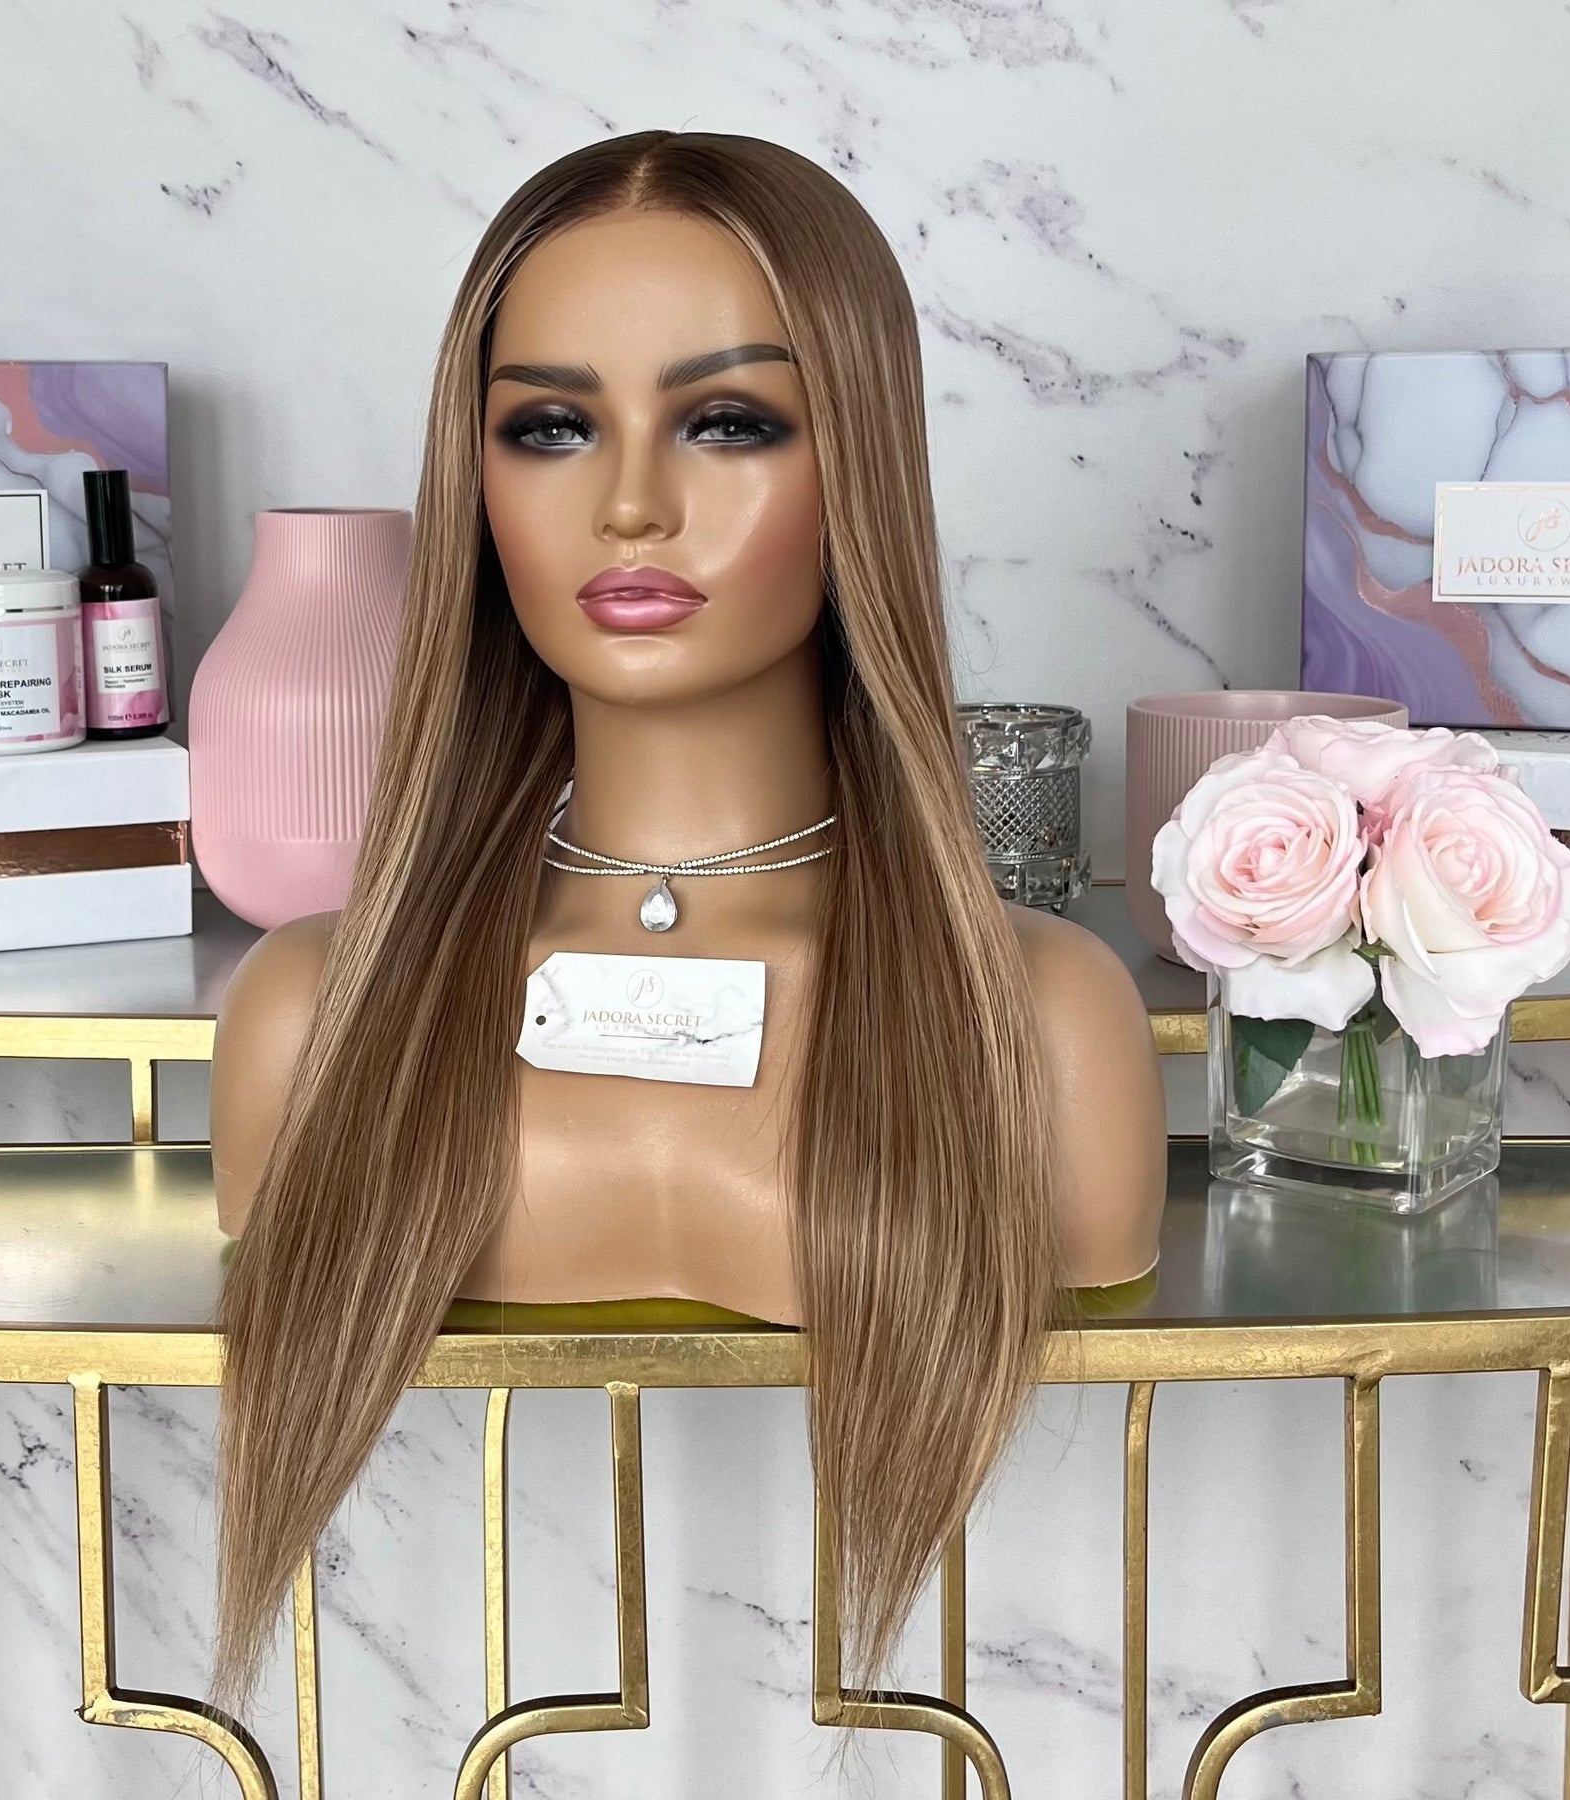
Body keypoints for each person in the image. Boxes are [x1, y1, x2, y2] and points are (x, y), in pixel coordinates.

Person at [209, 129, 1165, 1701]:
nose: (632, 506)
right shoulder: (314, 1014)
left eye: (728, 423)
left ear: (858, 459)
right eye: (551, 428)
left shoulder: (1037, 1021)